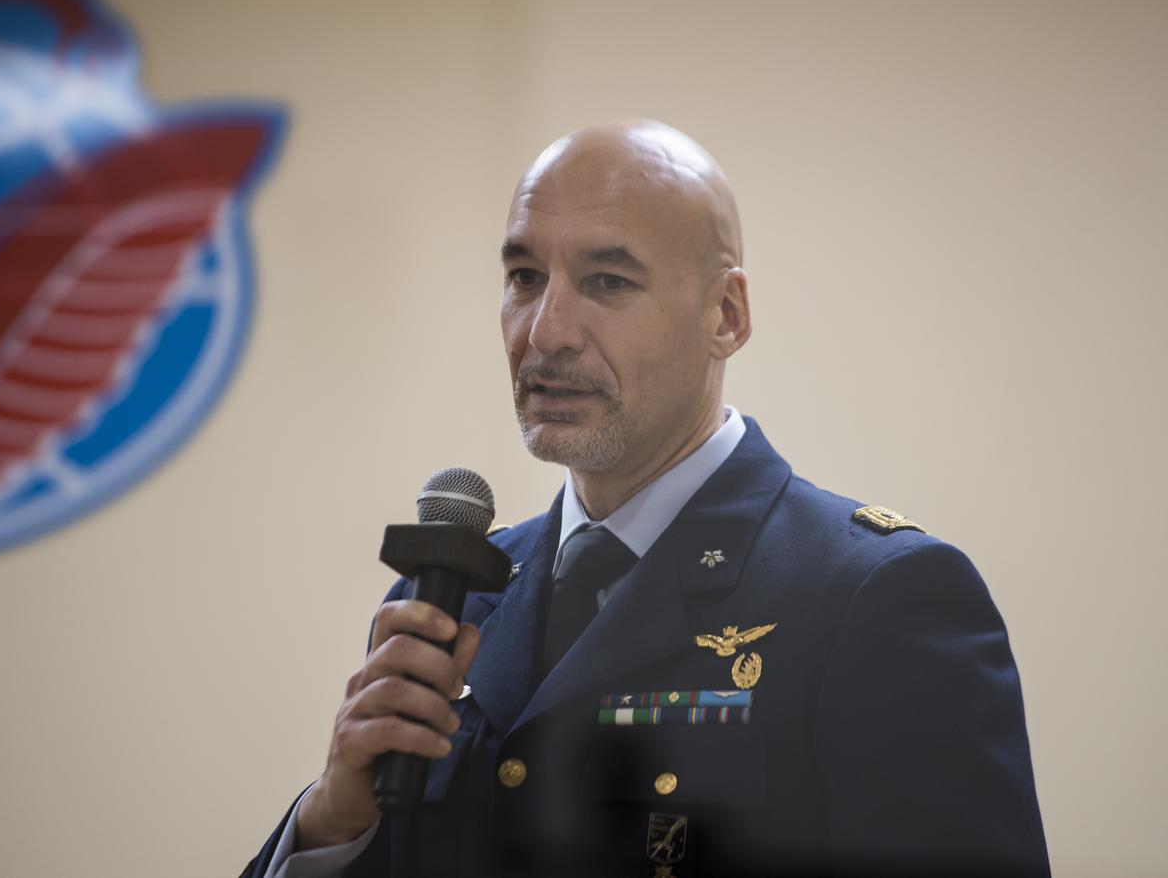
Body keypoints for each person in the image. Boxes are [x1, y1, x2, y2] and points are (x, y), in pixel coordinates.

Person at [241, 121, 1050, 877]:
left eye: (607, 281)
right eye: (524, 276)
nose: (545, 329)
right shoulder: (458, 600)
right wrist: (332, 825)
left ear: (725, 316)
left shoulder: (874, 597)